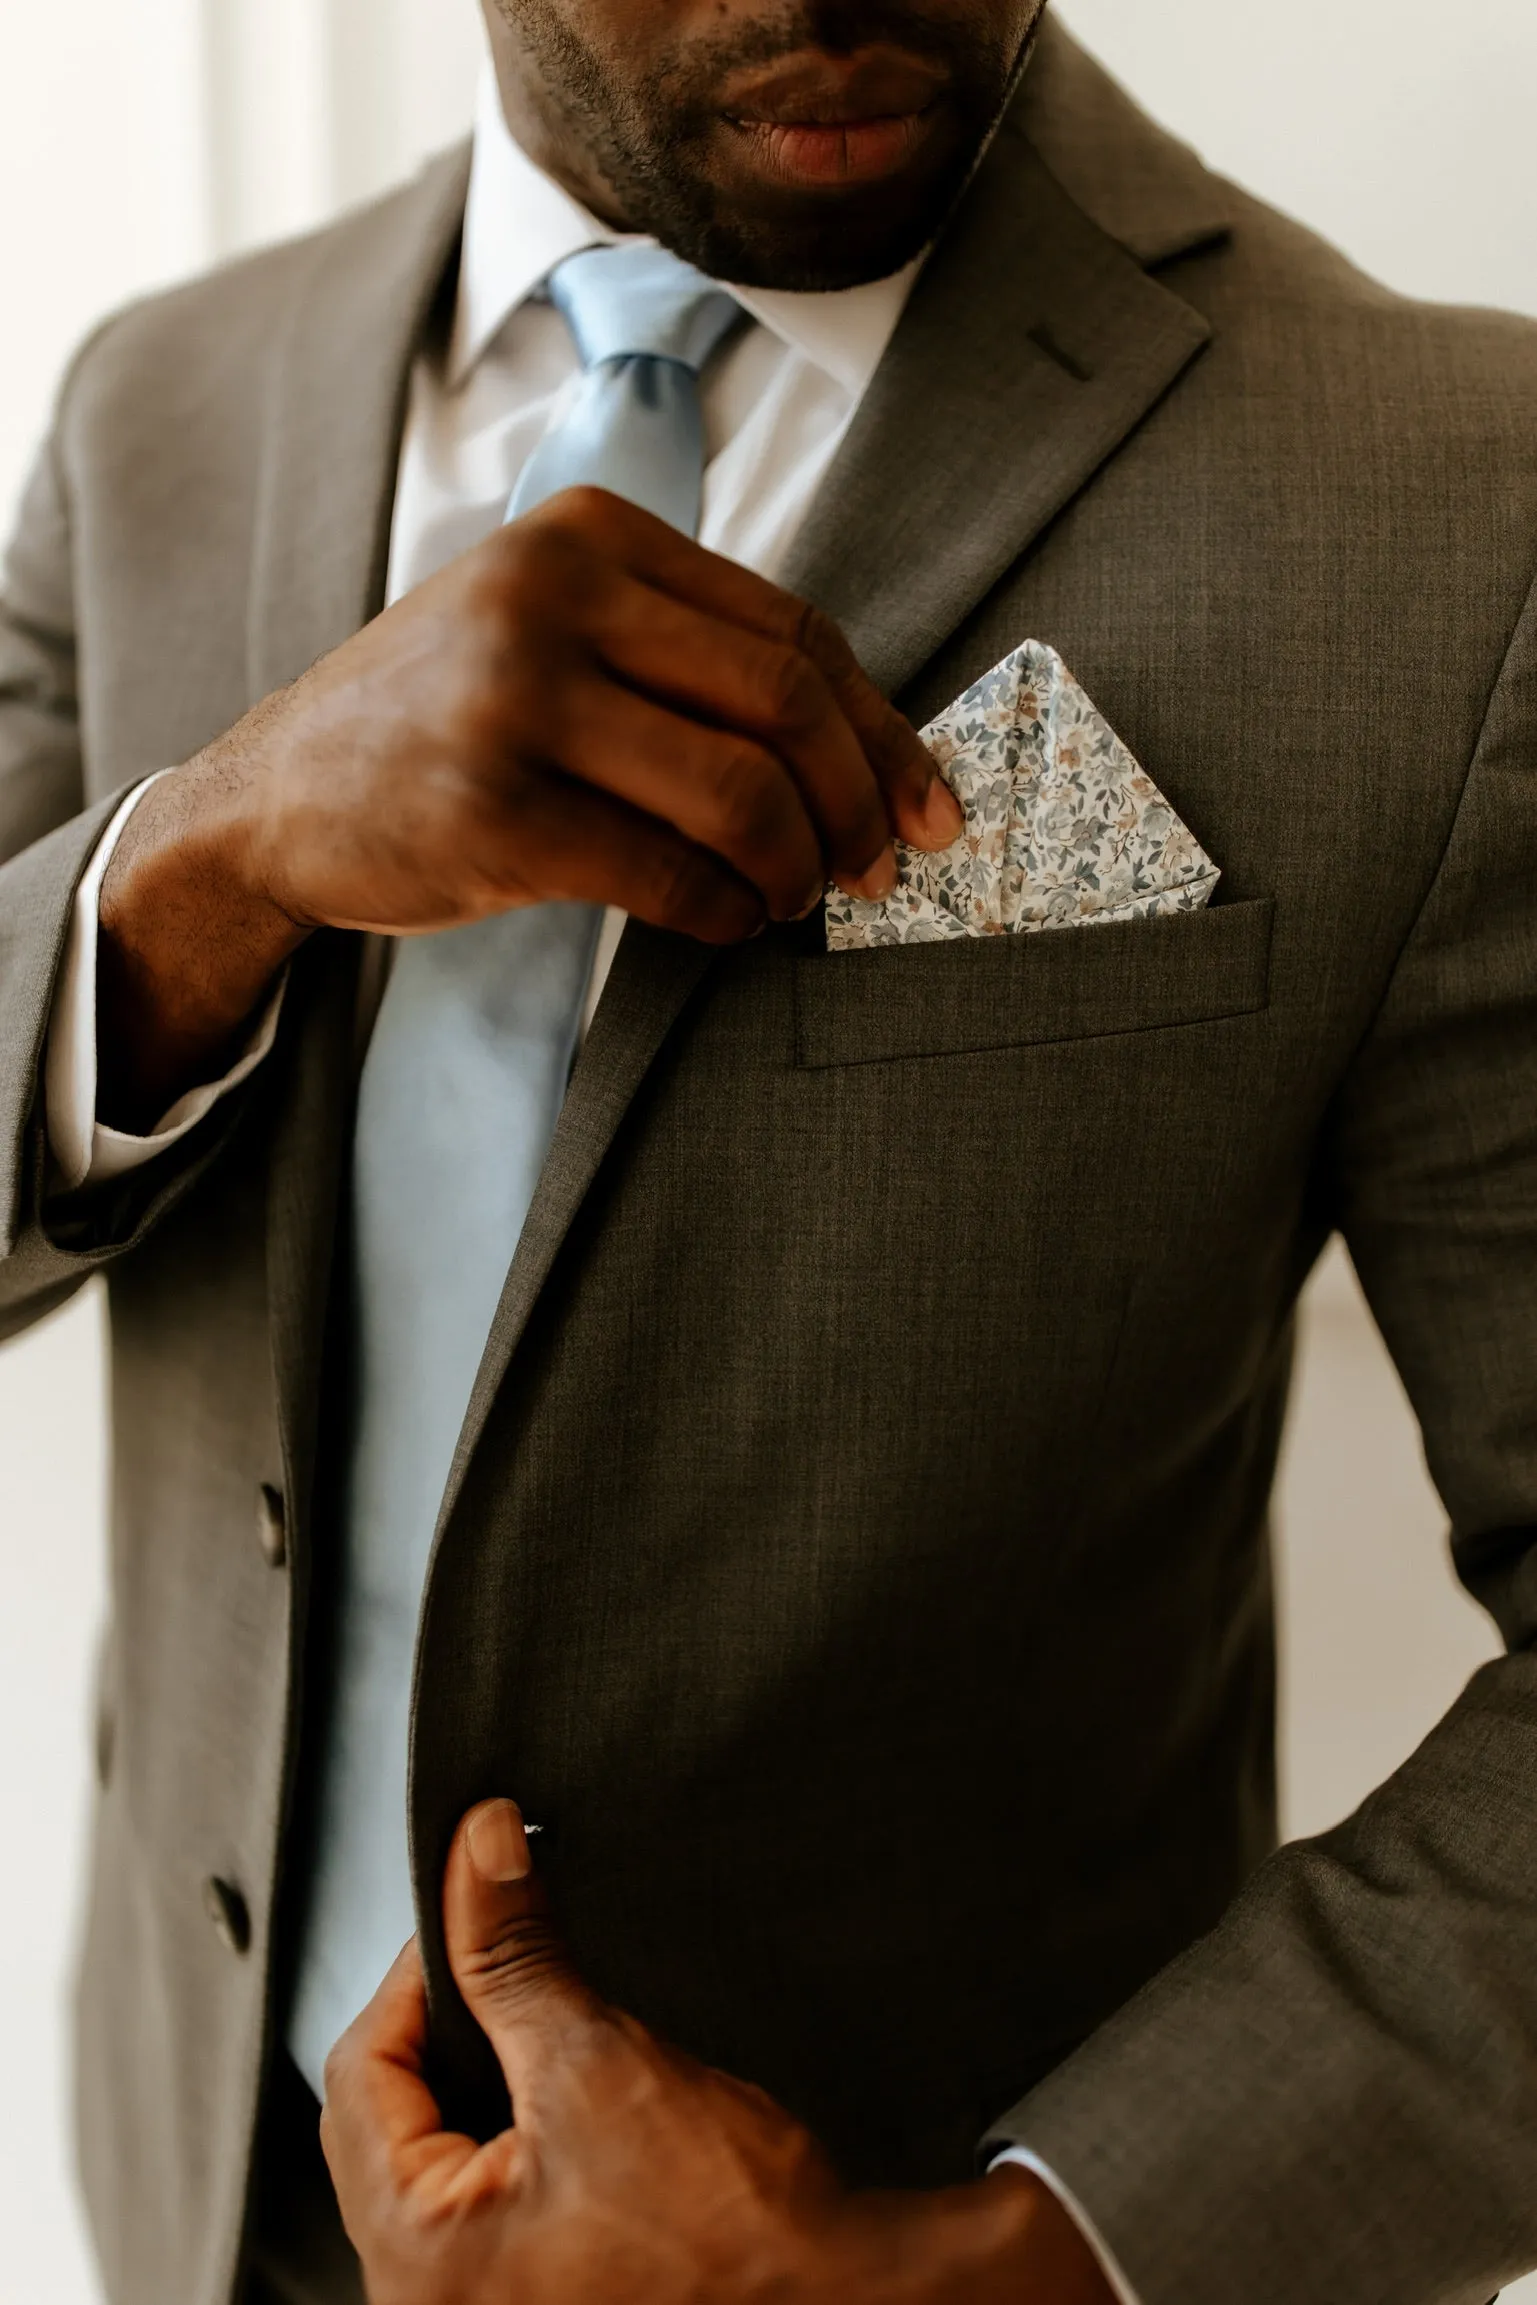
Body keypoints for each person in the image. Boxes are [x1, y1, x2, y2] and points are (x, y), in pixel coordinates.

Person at [2, 0, 1536, 2296]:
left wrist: (999, 2267)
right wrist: (206, 864)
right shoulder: (163, 405)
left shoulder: (1455, 496)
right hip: (190, 2195)